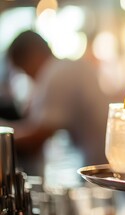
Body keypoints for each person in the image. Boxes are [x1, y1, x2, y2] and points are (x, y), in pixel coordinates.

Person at [0, 30, 110, 176]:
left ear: (34, 55)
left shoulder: (55, 73)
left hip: (101, 167)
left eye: (23, 69)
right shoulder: (65, 67)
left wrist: (4, 134)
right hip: (102, 162)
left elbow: (37, 138)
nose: (27, 76)